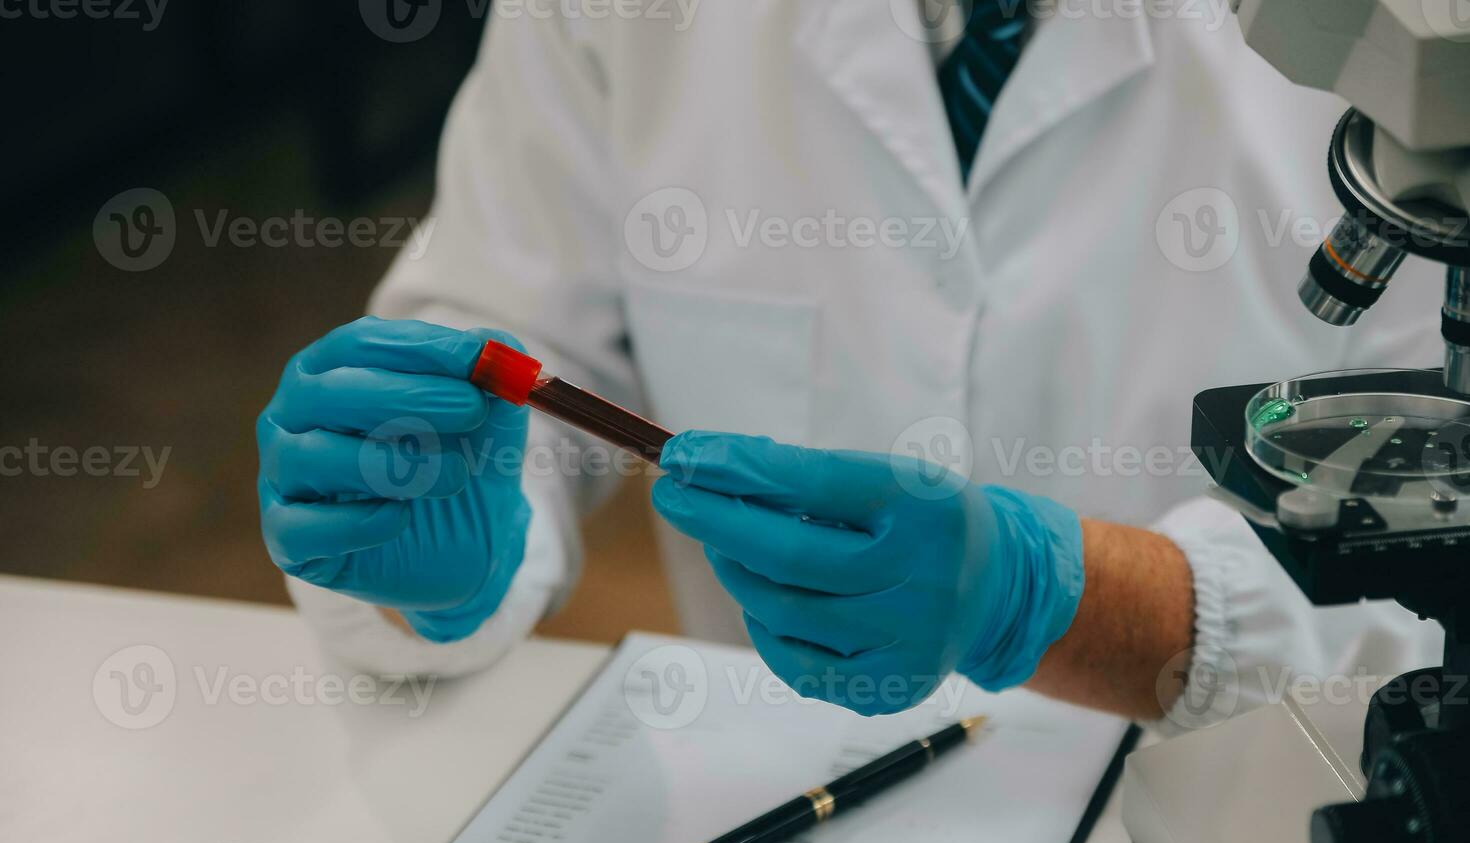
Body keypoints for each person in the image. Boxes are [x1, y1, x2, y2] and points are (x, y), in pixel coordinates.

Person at [257, 1, 1444, 729]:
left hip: (1248, 827)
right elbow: (515, 335)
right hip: (772, 814)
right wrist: (436, 537)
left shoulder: (1416, 42)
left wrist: (1073, 604)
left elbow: (1444, 542)